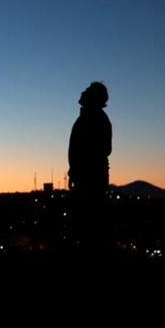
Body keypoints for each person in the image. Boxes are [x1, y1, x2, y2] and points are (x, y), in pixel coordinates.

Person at [67, 81, 112, 251]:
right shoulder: (87, 117)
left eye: (87, 90)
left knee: (89, 223)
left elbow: (103, 149)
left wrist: (81, 170)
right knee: (85, 222)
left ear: (94, 97)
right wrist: (74, 172)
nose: (82, 91)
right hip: (87, 175)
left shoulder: (97, 118)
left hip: (91, 178)